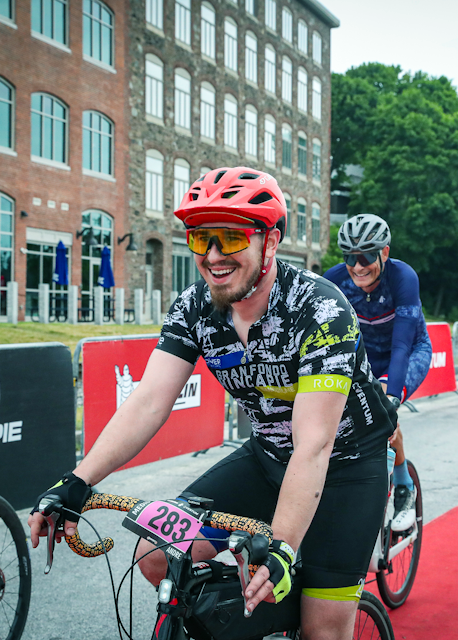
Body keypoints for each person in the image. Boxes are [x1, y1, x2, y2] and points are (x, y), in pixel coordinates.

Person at [29, 167, 396, 640]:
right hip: (268, 457)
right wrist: (78, 481)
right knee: (158, 555)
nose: (215, 256)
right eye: (202, 240)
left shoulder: (320, 309)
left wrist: (282, 546)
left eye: (230, 238)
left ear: (270, 241)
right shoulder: (194, 306)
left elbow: (314, 444)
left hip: (345, 468)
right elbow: (148, 401)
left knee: (323, 629)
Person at [324, 214, 431, 532]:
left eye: (366, 256)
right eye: (349, 257)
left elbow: (401, 345)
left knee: (384, 415)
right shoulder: (334, 280)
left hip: (407, 353)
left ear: (384, 253)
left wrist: (391, 395)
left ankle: (403, 487)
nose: (357, 266)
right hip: (365, 359)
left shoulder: (403, 277)